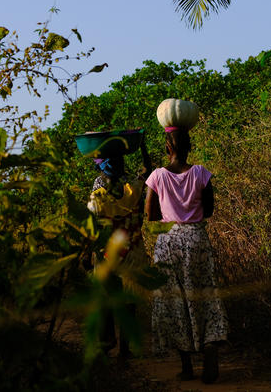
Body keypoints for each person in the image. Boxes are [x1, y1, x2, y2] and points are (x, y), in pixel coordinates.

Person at [144, 126, 228, 383]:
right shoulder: (201, 173)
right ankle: (210, 347)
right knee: (205, 295)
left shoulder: (157, 176)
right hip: (197, 240)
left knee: (174, 302)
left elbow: (150, 215)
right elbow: (210, 209)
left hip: (168, 243)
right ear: (189, 146)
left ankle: (187, 366)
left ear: (167, 149)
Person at [85, 141, 153, 359]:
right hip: (132, 249)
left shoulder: (97, 194)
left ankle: (105, 345)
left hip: (106, 252)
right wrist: (141, 145)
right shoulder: (132, 187)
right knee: (130, 299)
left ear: (101, 168)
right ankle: (125, 347)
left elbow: (91, 226)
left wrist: (86, 254)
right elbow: (147, 171)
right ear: (122, 165)